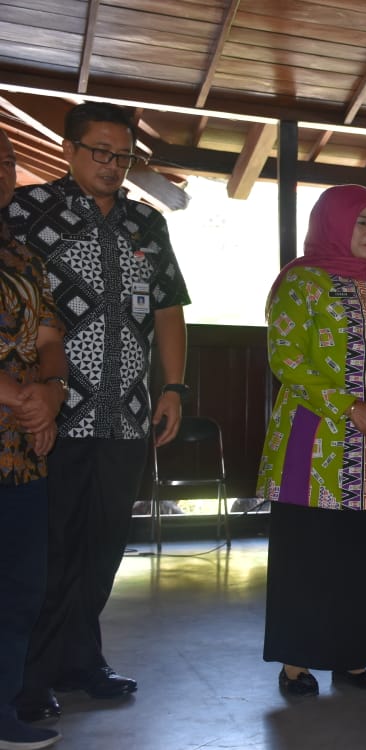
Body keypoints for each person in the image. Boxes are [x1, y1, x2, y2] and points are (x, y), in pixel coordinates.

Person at [3, 102, 191, 722]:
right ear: (69, 149)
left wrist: (173, 388)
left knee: (105, 545)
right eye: (101, 153)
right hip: (52, 414)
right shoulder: (27, 212)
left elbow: (168, 310)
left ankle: (83, 660)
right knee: (49, 550)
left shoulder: (146, 222)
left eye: (124, 156)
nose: (113, 166)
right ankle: (28, 676)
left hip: (127, 414)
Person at [258, 185, 366, 697]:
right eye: (361, 223)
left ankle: (353, 657)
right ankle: (296, 662)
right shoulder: (301, 282)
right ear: (334, 223)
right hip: (313, 442)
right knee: (309, 555)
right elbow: (287, 359)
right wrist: (348, 406)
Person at [0, 130, 65, 750]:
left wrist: (49, 392)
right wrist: (18, 394)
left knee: (19, 588)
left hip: (21, 450)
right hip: (15, 413)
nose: (1, 168)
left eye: (8, 159)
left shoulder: (22, 258)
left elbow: (49, 336)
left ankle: (3, 714)